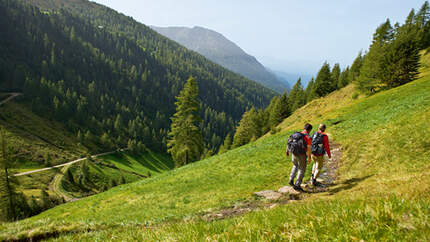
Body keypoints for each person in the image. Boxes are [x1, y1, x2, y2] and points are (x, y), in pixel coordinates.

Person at [286, 123, 312, 191]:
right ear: (309, 130)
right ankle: (297, 184)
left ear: (304, 128)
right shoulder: (308, 137)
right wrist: (309, 157)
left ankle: (291, 179)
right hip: (302, 154)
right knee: (302, 168)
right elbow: (309, 149)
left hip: (294, 153)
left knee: (295, 165)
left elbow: (288, 141)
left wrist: (287, 151)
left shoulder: (296, 134)